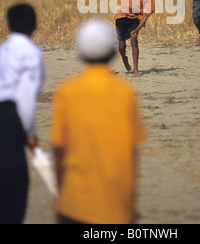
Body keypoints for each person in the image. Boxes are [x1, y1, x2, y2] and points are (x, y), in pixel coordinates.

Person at [51, 19, 145, 224]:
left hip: (73, 206)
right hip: (116, 209)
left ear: (79, 55)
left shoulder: (66, 92)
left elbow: (58, 151)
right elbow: (132, 154)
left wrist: (60, 200)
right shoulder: (126, 93)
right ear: (113, 54)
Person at [0, 3, 45, 224]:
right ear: (35, 26)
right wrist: (29, 131)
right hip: (13, 116)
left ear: (8, 26)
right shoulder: (32, 52)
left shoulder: (4, 48)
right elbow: (26, 97)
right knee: (16, 181)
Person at [115, 0, 155, 77]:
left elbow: (145, 17)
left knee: (134, 42)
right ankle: (124, 58)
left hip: (135, 20)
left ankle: (136, 69)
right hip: (121, 17)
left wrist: (136, 30)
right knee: (121, 46)